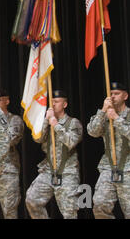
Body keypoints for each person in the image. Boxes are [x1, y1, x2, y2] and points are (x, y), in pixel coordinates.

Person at [87, 82, 130, 219]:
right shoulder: (104, 115)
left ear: (125, 96)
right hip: (108, 167)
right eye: (111, 94)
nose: (113, 97)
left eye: (117, 94)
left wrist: (117, 118)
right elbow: (92, 132)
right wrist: (102, 111)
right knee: (100, 204)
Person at [25, 90, 83, 219]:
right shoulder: (46, 122)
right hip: (48, 170)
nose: (53, 105)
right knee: (32, 200)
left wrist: (56, 124)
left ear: (64, 104)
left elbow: (71, 142)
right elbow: (38, 139)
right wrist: (47, 120)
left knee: (69, 212)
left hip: (67, 171)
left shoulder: (73, 123)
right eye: (51, 102)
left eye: (56, 102)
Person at [0, 89, 24, 219]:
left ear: (7, 101)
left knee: (9, 210)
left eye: (0, 100)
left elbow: (11, 140)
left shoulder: (14, 120)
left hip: (8, 170)